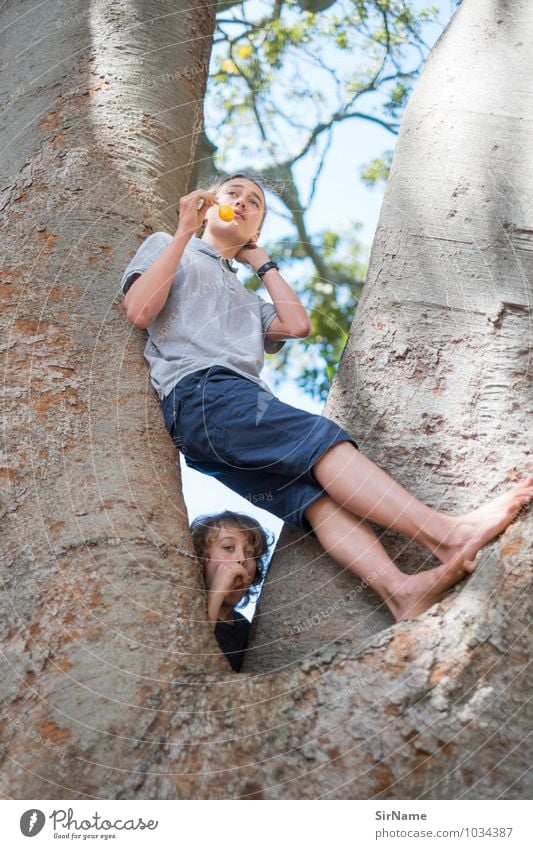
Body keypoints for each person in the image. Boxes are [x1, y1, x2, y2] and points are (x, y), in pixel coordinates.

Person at [121, 172, 533, 622]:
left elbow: (297, 326)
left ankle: (399, 593)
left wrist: (261, 261)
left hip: (220, 419)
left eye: (254, 203)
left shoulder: (248, 298)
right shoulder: (169, 245)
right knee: (321, 441)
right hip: (203, 394)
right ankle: (446, 537)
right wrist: (183, 231)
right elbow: (141, 310)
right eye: (231, 194)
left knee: (313, 500)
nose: (240, 202)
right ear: (206, 206)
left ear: (257, 230)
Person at [190, 511, 271, 671]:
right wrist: (216, 594)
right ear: (202, 559)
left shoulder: (248, 631)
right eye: (228, 547)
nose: (241, 558)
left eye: (250, 553)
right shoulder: (182, 612)